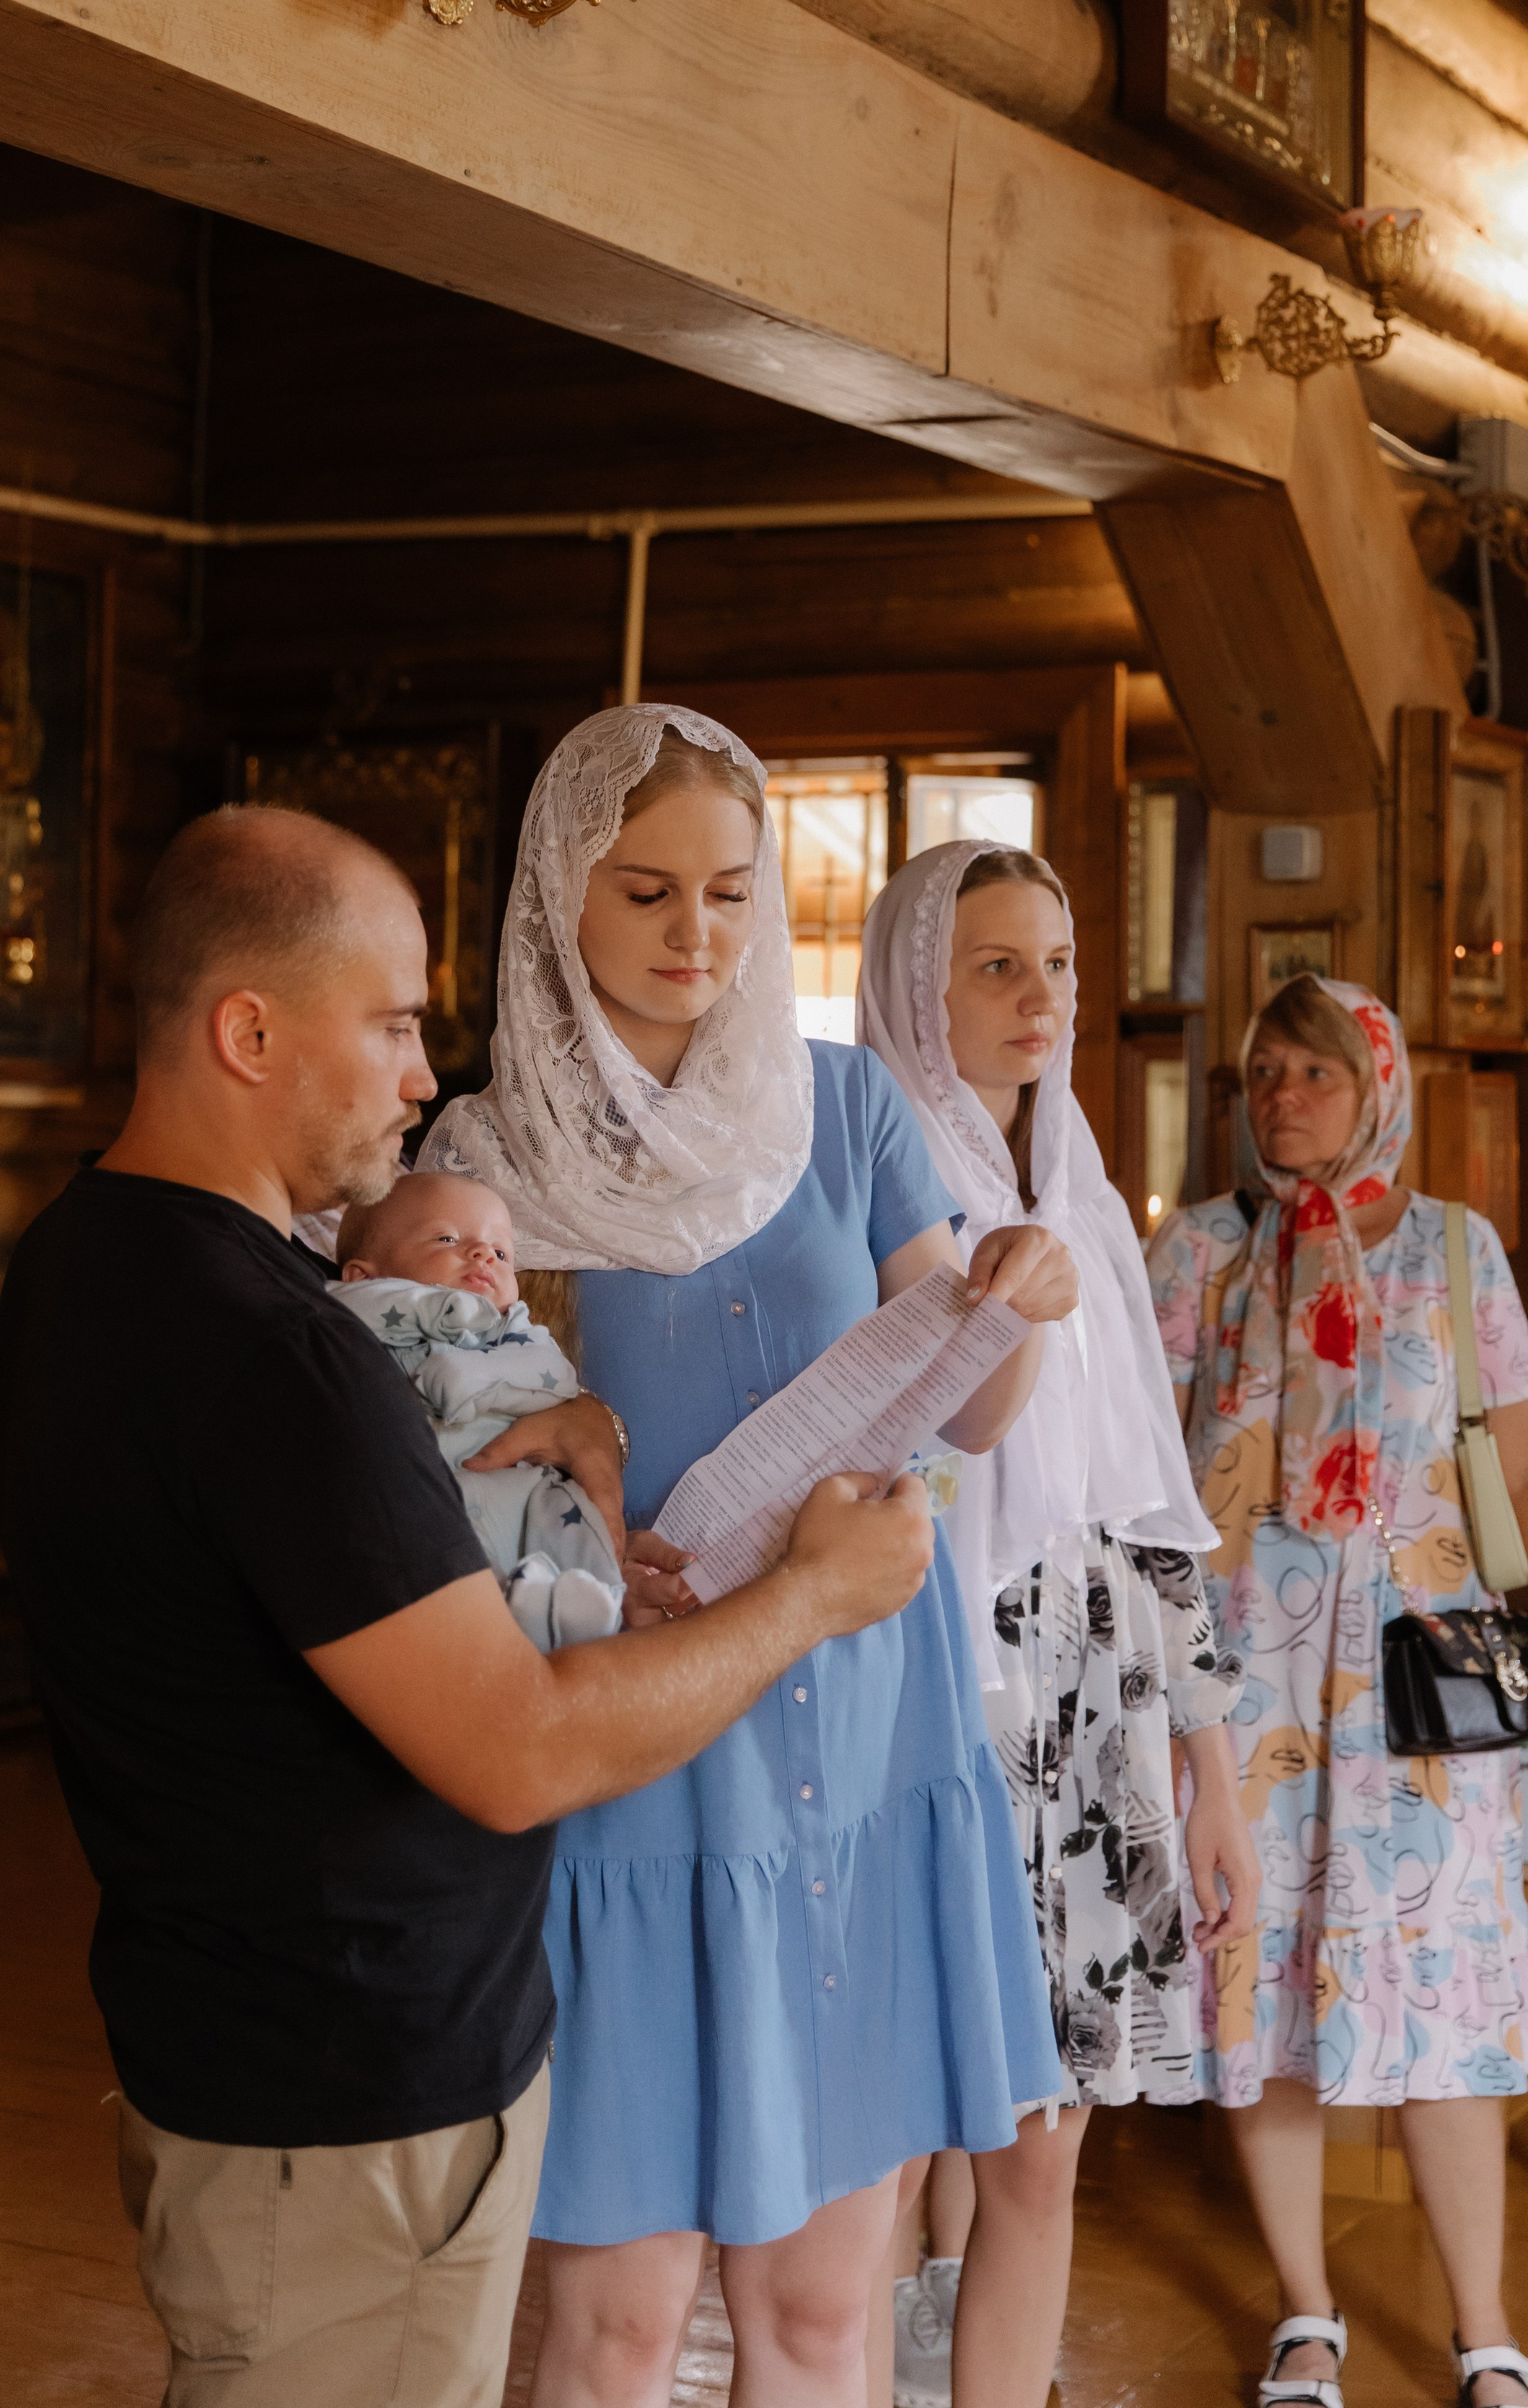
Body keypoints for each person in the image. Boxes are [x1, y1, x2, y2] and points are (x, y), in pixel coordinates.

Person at [0, 803, 937, 2408]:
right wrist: (810, 1599)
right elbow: (522, 1750)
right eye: (388, 1024)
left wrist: (577, 1459)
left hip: (234, 2047)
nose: (423, 1078)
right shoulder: (278, 1354)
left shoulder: (87, 1256)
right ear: (248, 1034)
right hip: (347, 2104)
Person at [419, 705, 1069, 2408]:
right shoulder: (482, 1155)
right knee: (618, 2326)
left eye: (726, 893)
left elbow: (972, 1405)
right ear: (556, 890)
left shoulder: (845, 1107)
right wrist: (565, 1485)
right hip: (633, 1746)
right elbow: (430, 1448)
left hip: (860, 1725)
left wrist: (1015, 1291)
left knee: (817, 2316)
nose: (693, 937)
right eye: (644, 892)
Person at [1146, 975, 1528, 2408]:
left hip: (1423, 1693)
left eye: (1315, 1073)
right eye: (1263, 1073)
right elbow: (1138, 1480)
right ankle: (1305, 2317)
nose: (1282, 1098)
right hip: (1244, 1698)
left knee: (1446, 2009)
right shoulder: (1199, 1256)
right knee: (1260, 2000)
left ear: (1376, 1088)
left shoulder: (1455, 1252)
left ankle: (1486, 2337)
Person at [856, 841, 1259, 2408]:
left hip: (1093, 1710)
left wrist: (1209, 1779)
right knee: (887, 2151)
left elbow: (1149, 1512)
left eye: (1060, 964)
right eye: (996, 966)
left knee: (1045, 2144)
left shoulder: (1081, 1193)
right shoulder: (867, 1184)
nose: (1042, 999)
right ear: (919, 986)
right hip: (925, 1693)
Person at [333, 1171, 625, 1651]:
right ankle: (524, 1617)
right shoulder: (343, 1311)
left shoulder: (512, 1329)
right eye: (448, 1239)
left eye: (502, 1253)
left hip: (510, 1485)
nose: (484, 1255)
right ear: (363, 1276)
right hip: (416, 1499)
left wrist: (477, 1373)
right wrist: (438, 1311)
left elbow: (554, 1379)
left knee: (567, 1515)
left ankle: (585, 1602)